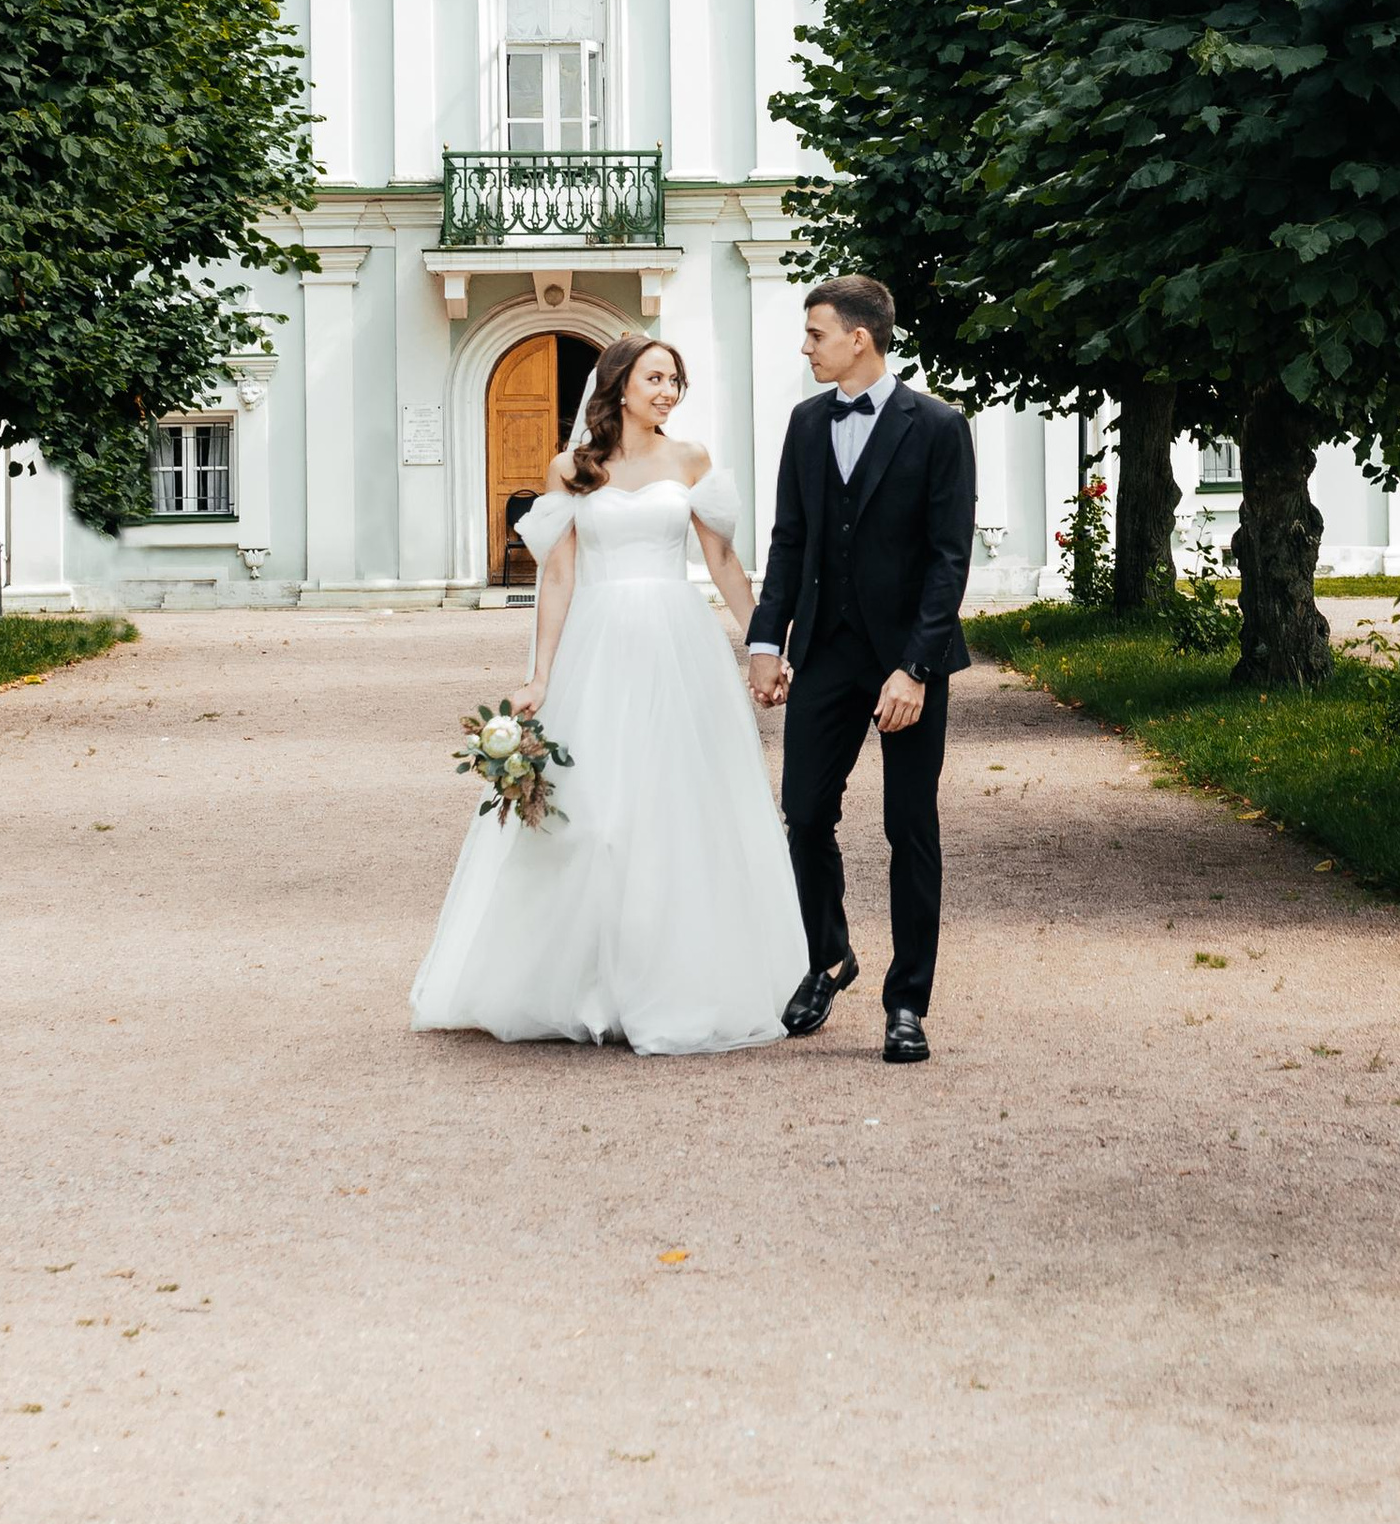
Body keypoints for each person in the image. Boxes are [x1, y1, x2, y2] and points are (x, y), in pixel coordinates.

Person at [410, 333, 806, 1056]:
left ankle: (678, 977)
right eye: (656, 378)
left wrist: (763, 646)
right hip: (599, 645)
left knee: (681, 805)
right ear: (619, 383)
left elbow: (722, 562)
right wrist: (541, 674)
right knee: (593, 813)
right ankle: (582, 984)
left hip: (676, 643)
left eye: (676, 381)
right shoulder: (572, 468)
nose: (667, 392)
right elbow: (557, 578)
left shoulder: (690, 461)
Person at [744, 276, 977, 1068]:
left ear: (860, 339)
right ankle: (828, 956)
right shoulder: (807, 424)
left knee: (909, 826)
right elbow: (788, 541)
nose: (805, 346)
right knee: (804, 811)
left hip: (908, 658)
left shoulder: (939, 426)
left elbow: (949, 560)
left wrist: (914, 668)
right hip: (829, 651)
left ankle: (907, 1001)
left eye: (815, 333)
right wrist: (765, 642)